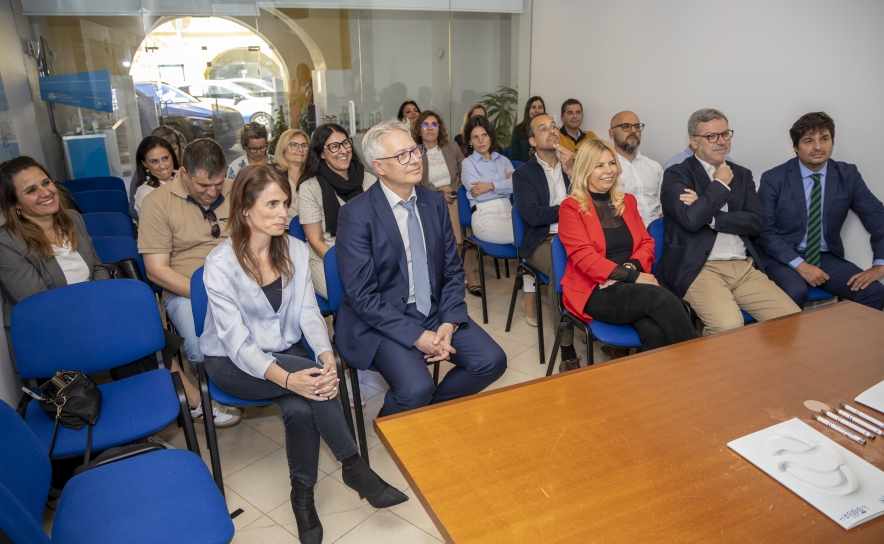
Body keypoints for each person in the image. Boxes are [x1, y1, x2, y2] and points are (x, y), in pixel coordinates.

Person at [199, 164, 407, 544]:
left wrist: (325, 352)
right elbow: (237, 344)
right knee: (309, 384)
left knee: (299, 406)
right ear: (245, 209)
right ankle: (354, 467)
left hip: (286, 349)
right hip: (231, 362)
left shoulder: (294, 248)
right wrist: (289, 378)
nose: (284, 213)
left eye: (286, 203)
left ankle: (303, 498)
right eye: (273, 204)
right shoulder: (220, 264)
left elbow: (309, 312)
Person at [335, 119, 507, 416]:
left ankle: (427, 414)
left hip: (434, 309)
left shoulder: (434, 203)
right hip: (384, 317)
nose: (415, 159)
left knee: (491, 361)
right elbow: (362, 296)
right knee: (415, 388)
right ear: (379, 167)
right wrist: (417, 336)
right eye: (402, 155)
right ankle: (393, 425)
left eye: (414, 150)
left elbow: (452, 270)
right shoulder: (356, 214)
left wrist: (449, 322)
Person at [655, 108, 800, 335]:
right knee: (728, 327)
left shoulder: (742, 175)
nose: (721, 141)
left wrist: (710, 215)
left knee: (790, 319)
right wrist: (720, 185)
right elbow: (691, 220)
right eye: (711, 136)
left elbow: (756, 222)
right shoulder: (677, 174)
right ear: (693, 141)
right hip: (699, 269)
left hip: (743, 268)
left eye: (725, 134)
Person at [558, 139, 697, 371]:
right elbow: (585, 258)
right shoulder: (571, 207)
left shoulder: (627, 201)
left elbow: (646, 243)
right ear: (584, 169)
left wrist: (629, 270)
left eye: (611, 163)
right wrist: (633, 277)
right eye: (599, 165)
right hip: (595, 290)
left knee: (656, 333)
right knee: (662, 299)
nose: (609, 170)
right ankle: (701, 368)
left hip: (630, 285)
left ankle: (653, 386)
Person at [139, 138, 241, 427]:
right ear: (183, 173)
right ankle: (222, 389)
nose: (212, 192)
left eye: (218, 183)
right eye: (203, 186)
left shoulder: (237, 189)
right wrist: (207, 294)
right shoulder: (156, 203)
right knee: (201, 346)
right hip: (186, 290)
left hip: (240, 282)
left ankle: (256, 381)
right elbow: (156, 271)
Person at [754, 112, 884, 310]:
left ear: (832, 142)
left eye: (824, 139)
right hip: (781, 255)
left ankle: (839, 332)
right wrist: (801, 265)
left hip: (824, 257)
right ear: (795, 147)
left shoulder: (848, 175)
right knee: (795, 291)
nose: (818, 147)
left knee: (874, 293)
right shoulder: (774, 178)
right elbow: (765, 232)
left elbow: (878, 218)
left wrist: (880, 265)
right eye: (808, 141)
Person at [0, 156, 109, 363]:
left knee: (148, 330)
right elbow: (39, 305)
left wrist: (100, 304)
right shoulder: (7, 243)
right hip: (50, 335)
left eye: (46, 182)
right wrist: (93, 314)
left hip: (93, 315)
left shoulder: (73, 219)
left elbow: (97, 268)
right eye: (31, 190)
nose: (45, 192)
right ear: (15, 204)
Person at [512, 114, 578, 367]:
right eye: (543, 129)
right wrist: (570, 209)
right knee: (561, 269)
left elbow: (591, 204)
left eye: (553, 126)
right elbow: (533, 215)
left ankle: (601, 323)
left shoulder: (573, 165)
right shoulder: (523, 174)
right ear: (532, 141)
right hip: (544, 240)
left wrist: (572, 172)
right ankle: (567, 348)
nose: (551, 131)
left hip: (578, 236)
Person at [298, 123, 377, 299]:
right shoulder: (309, 187)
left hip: (368, 254)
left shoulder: (369, 180)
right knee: (353, 297)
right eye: (334, 146)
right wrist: (351, 264)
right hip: (327, 257)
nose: (343, 150)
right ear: (321, 153)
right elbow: (316, 241)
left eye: (345, 143)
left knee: (388, 289)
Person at [412, 110, 482, 293]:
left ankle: (454, 272)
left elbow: (466, 171)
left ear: (439, 128)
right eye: (425, 125)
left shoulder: (452, 147)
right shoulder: (415, 152)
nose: (430, 128)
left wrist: (457, 192)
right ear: (419, 129)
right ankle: (468, 274)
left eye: (434, 124)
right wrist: (438, 195)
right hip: (429, 197)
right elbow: (416, 182)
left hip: (456, 193)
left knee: (458, 208)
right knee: (456, 220)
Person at [462, 116, 516, 253]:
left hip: (509, 213)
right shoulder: (468, 163)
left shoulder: (503, 160)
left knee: (532, 230)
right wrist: (505, 185)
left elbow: (516, 186)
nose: (481, 141)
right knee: (528, 231)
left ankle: (528, 268)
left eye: (484, 135)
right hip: (485, 218)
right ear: (470, 141)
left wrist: (490, 186)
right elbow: (479, 196)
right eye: (475, 137)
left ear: (490, 137)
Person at [609, 111, 664, 227]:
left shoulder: (655, 167)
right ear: (612, 133)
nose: (633, 130)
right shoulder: (606, 170)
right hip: (625, 232)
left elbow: (662, 206)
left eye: (637, 126)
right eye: (626, 126)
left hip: (657, 230)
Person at [129, 126, 186, 219]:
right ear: (144, 163)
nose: (162, 165)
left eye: (165, 158)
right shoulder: (145, 192)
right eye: (154, 161)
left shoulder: (184, 177)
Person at [274, 128, 310, 230]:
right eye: (294, 145)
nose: (300, 149)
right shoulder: (273, 175)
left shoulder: (313, 173)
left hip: (312, 228)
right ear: (283, 148)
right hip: (283, 230)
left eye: (304, 145)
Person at [509, 96, 546, 162]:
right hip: (523, 166)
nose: (537, 110)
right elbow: (513, 157)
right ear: (528, 110)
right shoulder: (518, 131)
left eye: (540, 107)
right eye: (533, 107)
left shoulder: (549, 130)